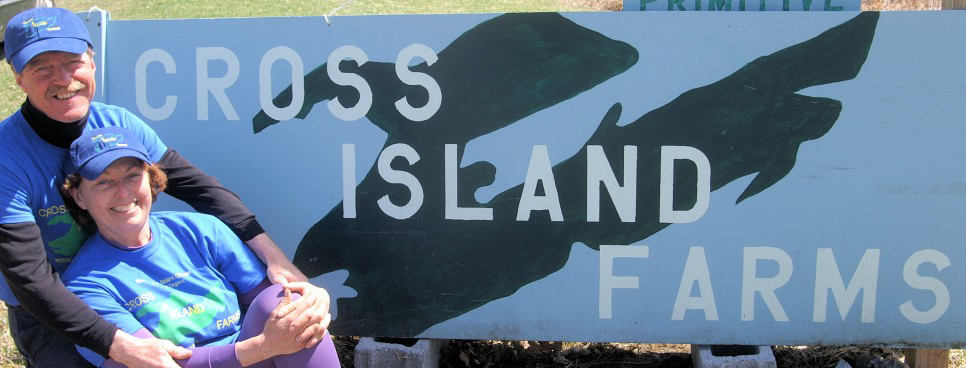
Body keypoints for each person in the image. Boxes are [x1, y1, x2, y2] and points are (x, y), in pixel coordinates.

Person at [0, 7, 320, 367]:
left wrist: (274, 256)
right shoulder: (5, 157)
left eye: (73, 61)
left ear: (92, 60)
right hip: (51, 309)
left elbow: (199, 188)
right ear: (17, 77)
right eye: (41, 68)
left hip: (135, 282)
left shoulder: (117, 125)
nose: (62, 79)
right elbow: (30, 279)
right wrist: (115, 343)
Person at [60, 126, 339, 367]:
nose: (122, 192)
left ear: (151, 178)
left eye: (132, 175)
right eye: (104, 182)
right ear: (79, 196)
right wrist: (265, 346)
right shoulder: (85, 285)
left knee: (288, 306)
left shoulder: (199, 230)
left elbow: (275, 301)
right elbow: (156, 363)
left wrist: (312, 301)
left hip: (248, 358)